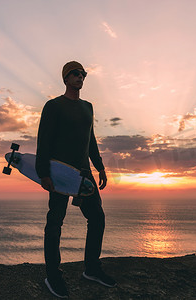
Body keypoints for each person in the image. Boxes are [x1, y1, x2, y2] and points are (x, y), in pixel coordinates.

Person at [36, 61, 116, 298]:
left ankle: (91, 268)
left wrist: (99, 167)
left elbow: (90, 140)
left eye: (83, 74)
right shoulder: (53, 106)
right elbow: (44, 140)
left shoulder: (88, 107)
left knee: (97, 218)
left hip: (84, 173)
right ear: (65, 78)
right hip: (60, 173)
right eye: (75, 73)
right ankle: (53, 275)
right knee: (55, 223)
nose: (80, 76)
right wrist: (44, 173)